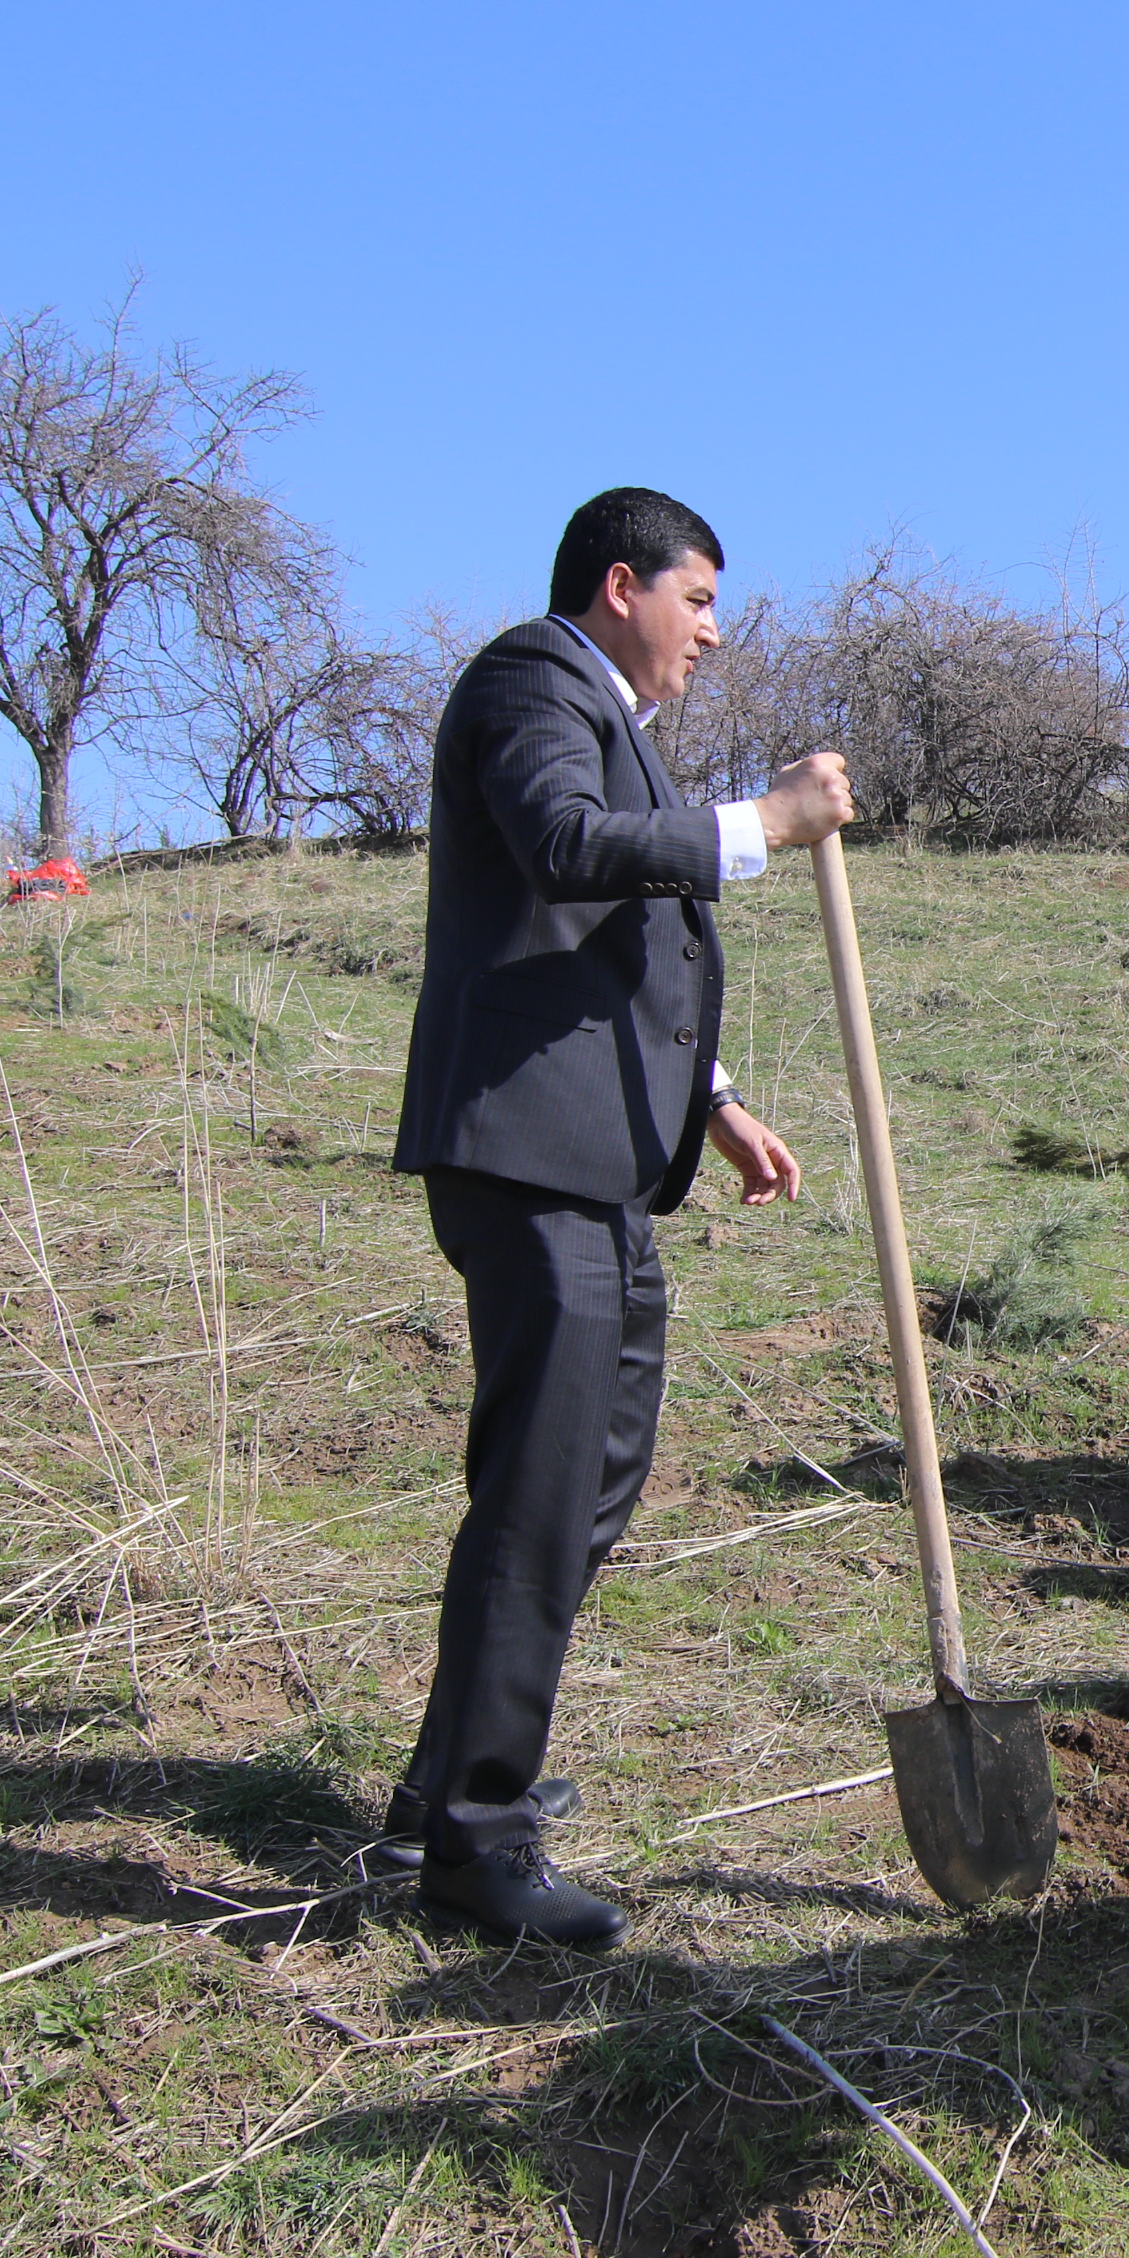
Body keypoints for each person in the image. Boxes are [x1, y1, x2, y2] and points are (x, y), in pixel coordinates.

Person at [378, 488, 855, 1947]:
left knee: (595, 1470)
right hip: (525, 1154)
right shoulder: (531, 680)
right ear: (619, 584)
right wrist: (765, 822)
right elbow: (564, 848)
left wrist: (708, 1098)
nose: (712, 633)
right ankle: (474, 1839)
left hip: (602, 1159)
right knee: (538, 1486)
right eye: (699, 600)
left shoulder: (619, 720)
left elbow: (614, 942)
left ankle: (456, 1772)